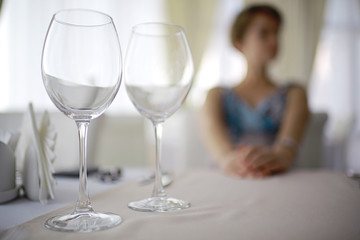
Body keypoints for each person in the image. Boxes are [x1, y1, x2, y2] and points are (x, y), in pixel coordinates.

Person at [200, 4, 309, 178]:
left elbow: (286, 151)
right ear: (239, 43)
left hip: (279, 180)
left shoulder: (295, 93)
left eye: (276, 33)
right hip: (228, 181)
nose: (274, 41)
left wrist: (276, 158)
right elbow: (222, 154)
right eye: (263, 34)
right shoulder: (216, 95)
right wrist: (238, 163)